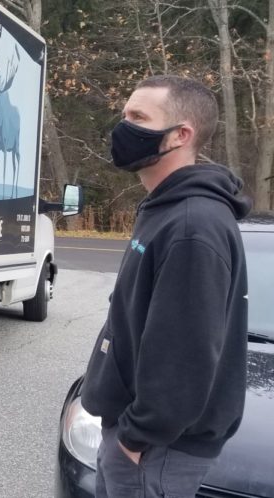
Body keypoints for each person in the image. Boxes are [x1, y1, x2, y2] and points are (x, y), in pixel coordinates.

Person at [82, 75, 251, 497]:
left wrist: (135, 438)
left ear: (181, 135)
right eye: (124, 115)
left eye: (138, 117)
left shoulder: (193, 227)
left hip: (156, 449)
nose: (123, 128)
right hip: (136, 434)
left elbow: (186, 352)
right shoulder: (164, 208)